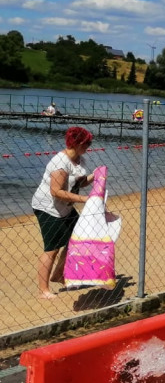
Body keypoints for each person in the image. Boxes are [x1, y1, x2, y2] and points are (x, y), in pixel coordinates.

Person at [31, 126, 94, 299]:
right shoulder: (60, 163)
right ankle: (43, 290)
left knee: (76, 239)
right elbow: (55, 191)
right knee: (52, 249)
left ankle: (58, 275)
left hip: (66, 207)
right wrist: (85, 200)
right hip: (48, 208)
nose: (89, 146)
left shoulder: (80, 160)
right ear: (77, 143)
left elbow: (79, 184)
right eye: (87, 142)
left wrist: (95, 176)